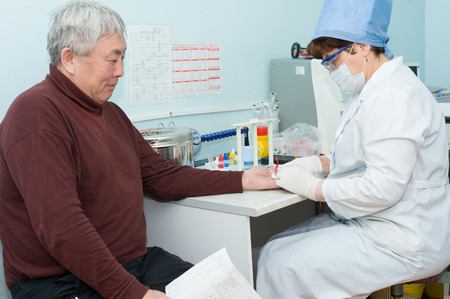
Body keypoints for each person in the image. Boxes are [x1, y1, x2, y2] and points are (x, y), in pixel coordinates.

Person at [0, 1, 277, 298]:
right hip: (62, 282)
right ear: (69, 59)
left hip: (131, 263)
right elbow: (62, 228)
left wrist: (242, 180)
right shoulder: (36, 113)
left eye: (123, 58)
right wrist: (136, 294)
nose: (120, 71)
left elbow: (161, 177)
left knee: (224, 291)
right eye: (112, 59)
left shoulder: (111, 114)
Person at [256, 0, 450, 298]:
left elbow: (382, 187)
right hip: (382, 221)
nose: (331, 70)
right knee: (274, 247)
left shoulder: (393, 95)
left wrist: (313, 189)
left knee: (284, 265)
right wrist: (319, 164)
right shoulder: (373, 89)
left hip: (403, 237)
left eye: (332, 61)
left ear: (360, 47)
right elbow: (366, 155)